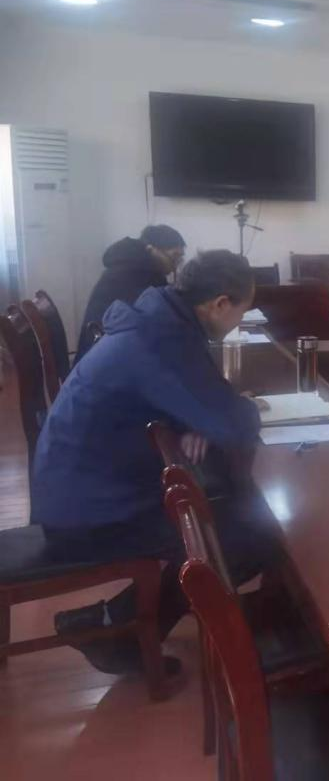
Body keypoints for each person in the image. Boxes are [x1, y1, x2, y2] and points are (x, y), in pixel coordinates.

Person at [32, 250, 275, 676]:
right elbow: (232, 423)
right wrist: (231, 411)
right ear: (220, 303)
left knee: (231, 511)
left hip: (83, 488)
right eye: (242, 309)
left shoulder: (158, 320)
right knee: (246, 537)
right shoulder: (161, 342)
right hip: (87, 513)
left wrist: (201, 417)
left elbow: (206, 405)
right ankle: (119, 634)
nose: (240, 319)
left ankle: (117, 620)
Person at [75, 224, 186, 365]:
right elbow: (155, 320)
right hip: (102, 359)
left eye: (180, 258)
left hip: (107, 352)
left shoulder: (135, 267)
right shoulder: (132, 274)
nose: (176, 265)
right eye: (174, 257)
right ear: (151, 250)